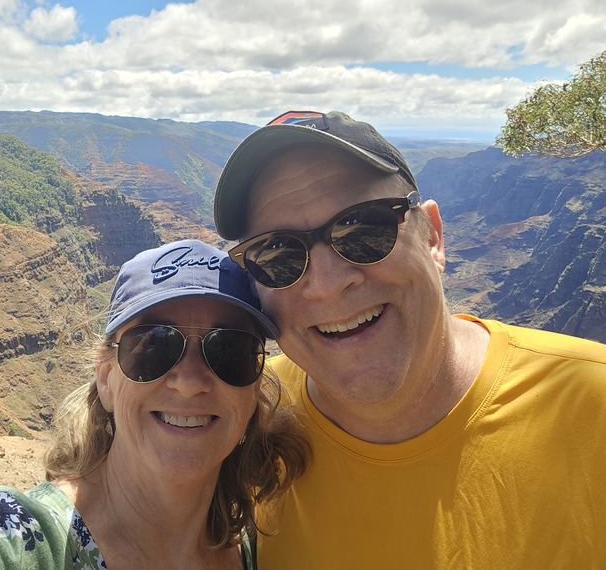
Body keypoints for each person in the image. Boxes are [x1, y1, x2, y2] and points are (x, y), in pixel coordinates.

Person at [213, 110, 606, 568]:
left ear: (433, 236)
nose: (326, 284)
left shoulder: (590, 407)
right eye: (276, 253)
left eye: (363, 229)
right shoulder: (245, 419)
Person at [0, 239, 310, 569]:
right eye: (153, 346)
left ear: (254, 391)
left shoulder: (255, 546)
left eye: (228, 350)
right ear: (106, 378)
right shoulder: (20, 539)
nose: (189, 382)